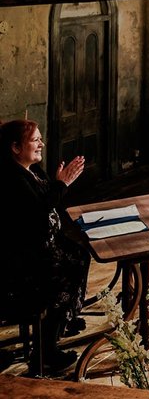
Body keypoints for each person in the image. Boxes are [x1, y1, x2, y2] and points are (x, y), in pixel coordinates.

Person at [0, 119, 89, 374]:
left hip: (41, 245)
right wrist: (63, 184)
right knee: (67, 274)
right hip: (21, 259)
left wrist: (58, 182)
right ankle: (46, 350)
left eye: (41, 138)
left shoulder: (32, 170)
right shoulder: (10, 179)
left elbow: (46, 198)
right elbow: (37, 213)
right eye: (35, 140)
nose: (41, 143)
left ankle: (61, 321)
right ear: (16, 148)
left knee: (80, 255)